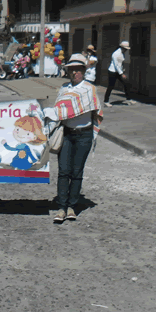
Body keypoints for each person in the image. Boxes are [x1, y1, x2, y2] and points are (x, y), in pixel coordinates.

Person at [52, 53, 104, 223]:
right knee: (63, 171)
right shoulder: (64, 88)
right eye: (71, 70)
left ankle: (72, 206)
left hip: (84, 134)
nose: (74, 73)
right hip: (67, 133)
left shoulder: (89, 89)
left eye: (78, 70)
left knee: (77, 171)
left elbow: (96, 110)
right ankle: (61, 207)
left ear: (83, 71)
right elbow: (58, 111)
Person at [104, 41, 135, 107]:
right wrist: (121, 74)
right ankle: (106, 101)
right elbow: (116, 65)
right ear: (122, 47)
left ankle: (128, 99)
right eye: (125, 48)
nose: (126, 50)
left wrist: (122, 70)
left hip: (119, 71)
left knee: (126, 83)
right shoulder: (116, 53)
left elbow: (120, 63)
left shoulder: (122, 53)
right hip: (113, 71)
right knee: (110, 86)